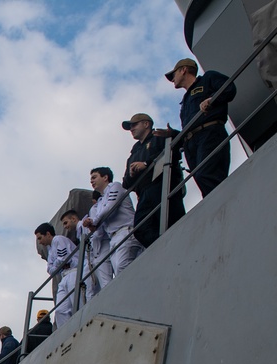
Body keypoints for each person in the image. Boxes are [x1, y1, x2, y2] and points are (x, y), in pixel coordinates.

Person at [158, 58, 237, 197]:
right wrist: (174, 134)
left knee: (206, 174)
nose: (172, 79)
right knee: (201, 180)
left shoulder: (208, 79)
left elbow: (229, 88)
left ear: (183, 70)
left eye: (174, 74)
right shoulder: (185, 100)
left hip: (209, 134)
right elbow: (191, 125)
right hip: (191, 143)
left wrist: (212, 99)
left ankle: (227, 204)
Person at [122, 113, 186, 247]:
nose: (131, 129)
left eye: (134, 125)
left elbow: (176, 145)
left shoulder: (159, 138)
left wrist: (146, 163)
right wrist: (131, 174)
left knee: (171, 218)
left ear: (146, 124)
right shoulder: (133, 154)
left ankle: (179, 244)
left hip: (163, 184)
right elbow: (126, 183)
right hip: (144, 193)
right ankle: (164, 247)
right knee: (140, 229)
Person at [81, 167, 142, 279]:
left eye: (94, 177)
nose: (91, 181)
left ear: (105, 177)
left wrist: (93, 221)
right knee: (119, 273)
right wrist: (91, 225)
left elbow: (110, 207)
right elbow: (99, 226)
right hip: (113, 238)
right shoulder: (100, 202)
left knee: (122, 267)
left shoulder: (115, 186)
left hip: (125, 231)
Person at [34, 223, 79, 327]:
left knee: (76, 302)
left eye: (40, 238)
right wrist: (59, 265)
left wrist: (58, 264)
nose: (40, 242)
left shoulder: (59, 239)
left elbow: (63, 258)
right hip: (64, 276)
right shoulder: (50, 250)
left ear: (48, 234)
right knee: (60, 310)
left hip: (73, 272)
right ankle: (67, 332)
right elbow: (50, 270)